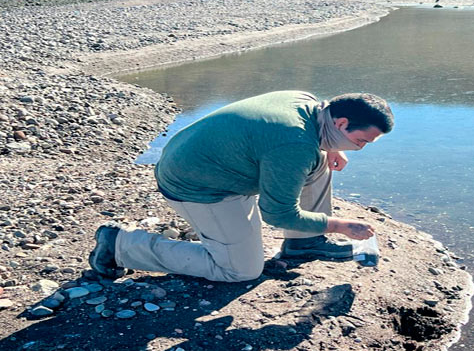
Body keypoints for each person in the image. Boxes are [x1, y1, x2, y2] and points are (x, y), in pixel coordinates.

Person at [88, 91, 394, 283]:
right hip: (197, 186)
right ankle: (120, 245)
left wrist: (332, 148)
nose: (360, 149)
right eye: (359, 141)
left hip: (208, 160)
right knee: (241, 270)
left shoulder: (308, 102)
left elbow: (297, 142)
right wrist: (340, 226)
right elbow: (278, 213)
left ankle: (304, 243)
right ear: (341, 123)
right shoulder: (293, 144)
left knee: (319, 158)